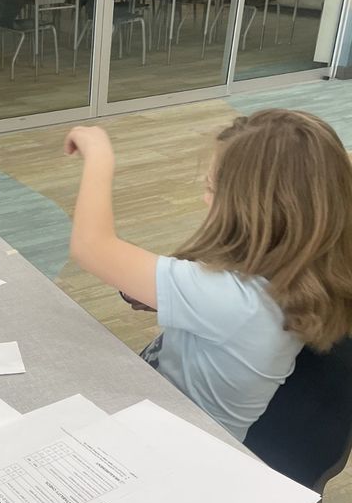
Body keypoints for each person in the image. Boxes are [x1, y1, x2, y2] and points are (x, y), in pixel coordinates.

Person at [66, 109, 352, 441]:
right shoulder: (292, 273)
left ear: (255, 211)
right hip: (163, 415)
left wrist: (99, 153)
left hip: (173, 445)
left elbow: (92, 245)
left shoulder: (234, 301)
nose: (205, 199)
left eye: (212, 189)